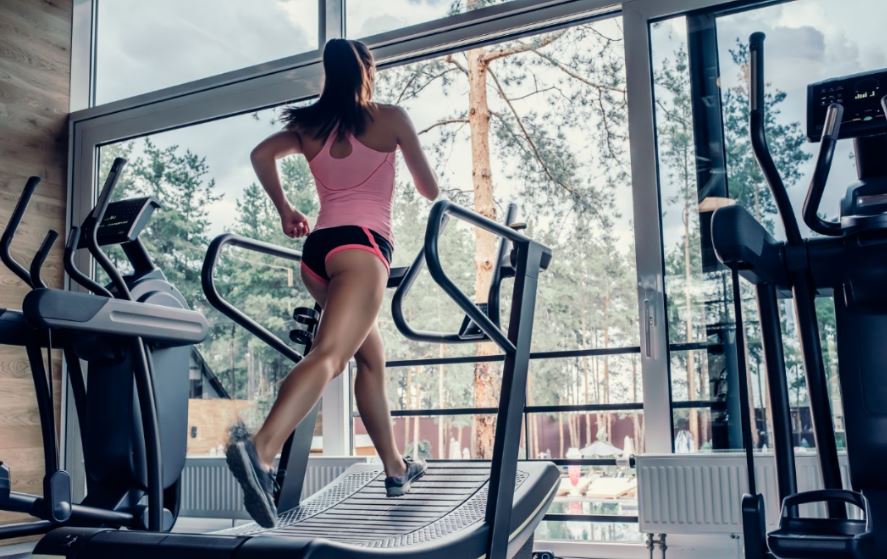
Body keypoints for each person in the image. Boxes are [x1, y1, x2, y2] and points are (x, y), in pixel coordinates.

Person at [225, 38, 439, 528]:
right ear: (367, 70)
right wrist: (398, 150)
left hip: (319, 252)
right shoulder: (390, 117)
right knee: (329, 356)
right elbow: (430, 190)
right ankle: (260, 452)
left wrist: (286, 210)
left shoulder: (308, 125)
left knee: (370, 358)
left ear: (329, 72)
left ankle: (395, 468)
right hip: (364, 248)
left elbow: (261, 154)